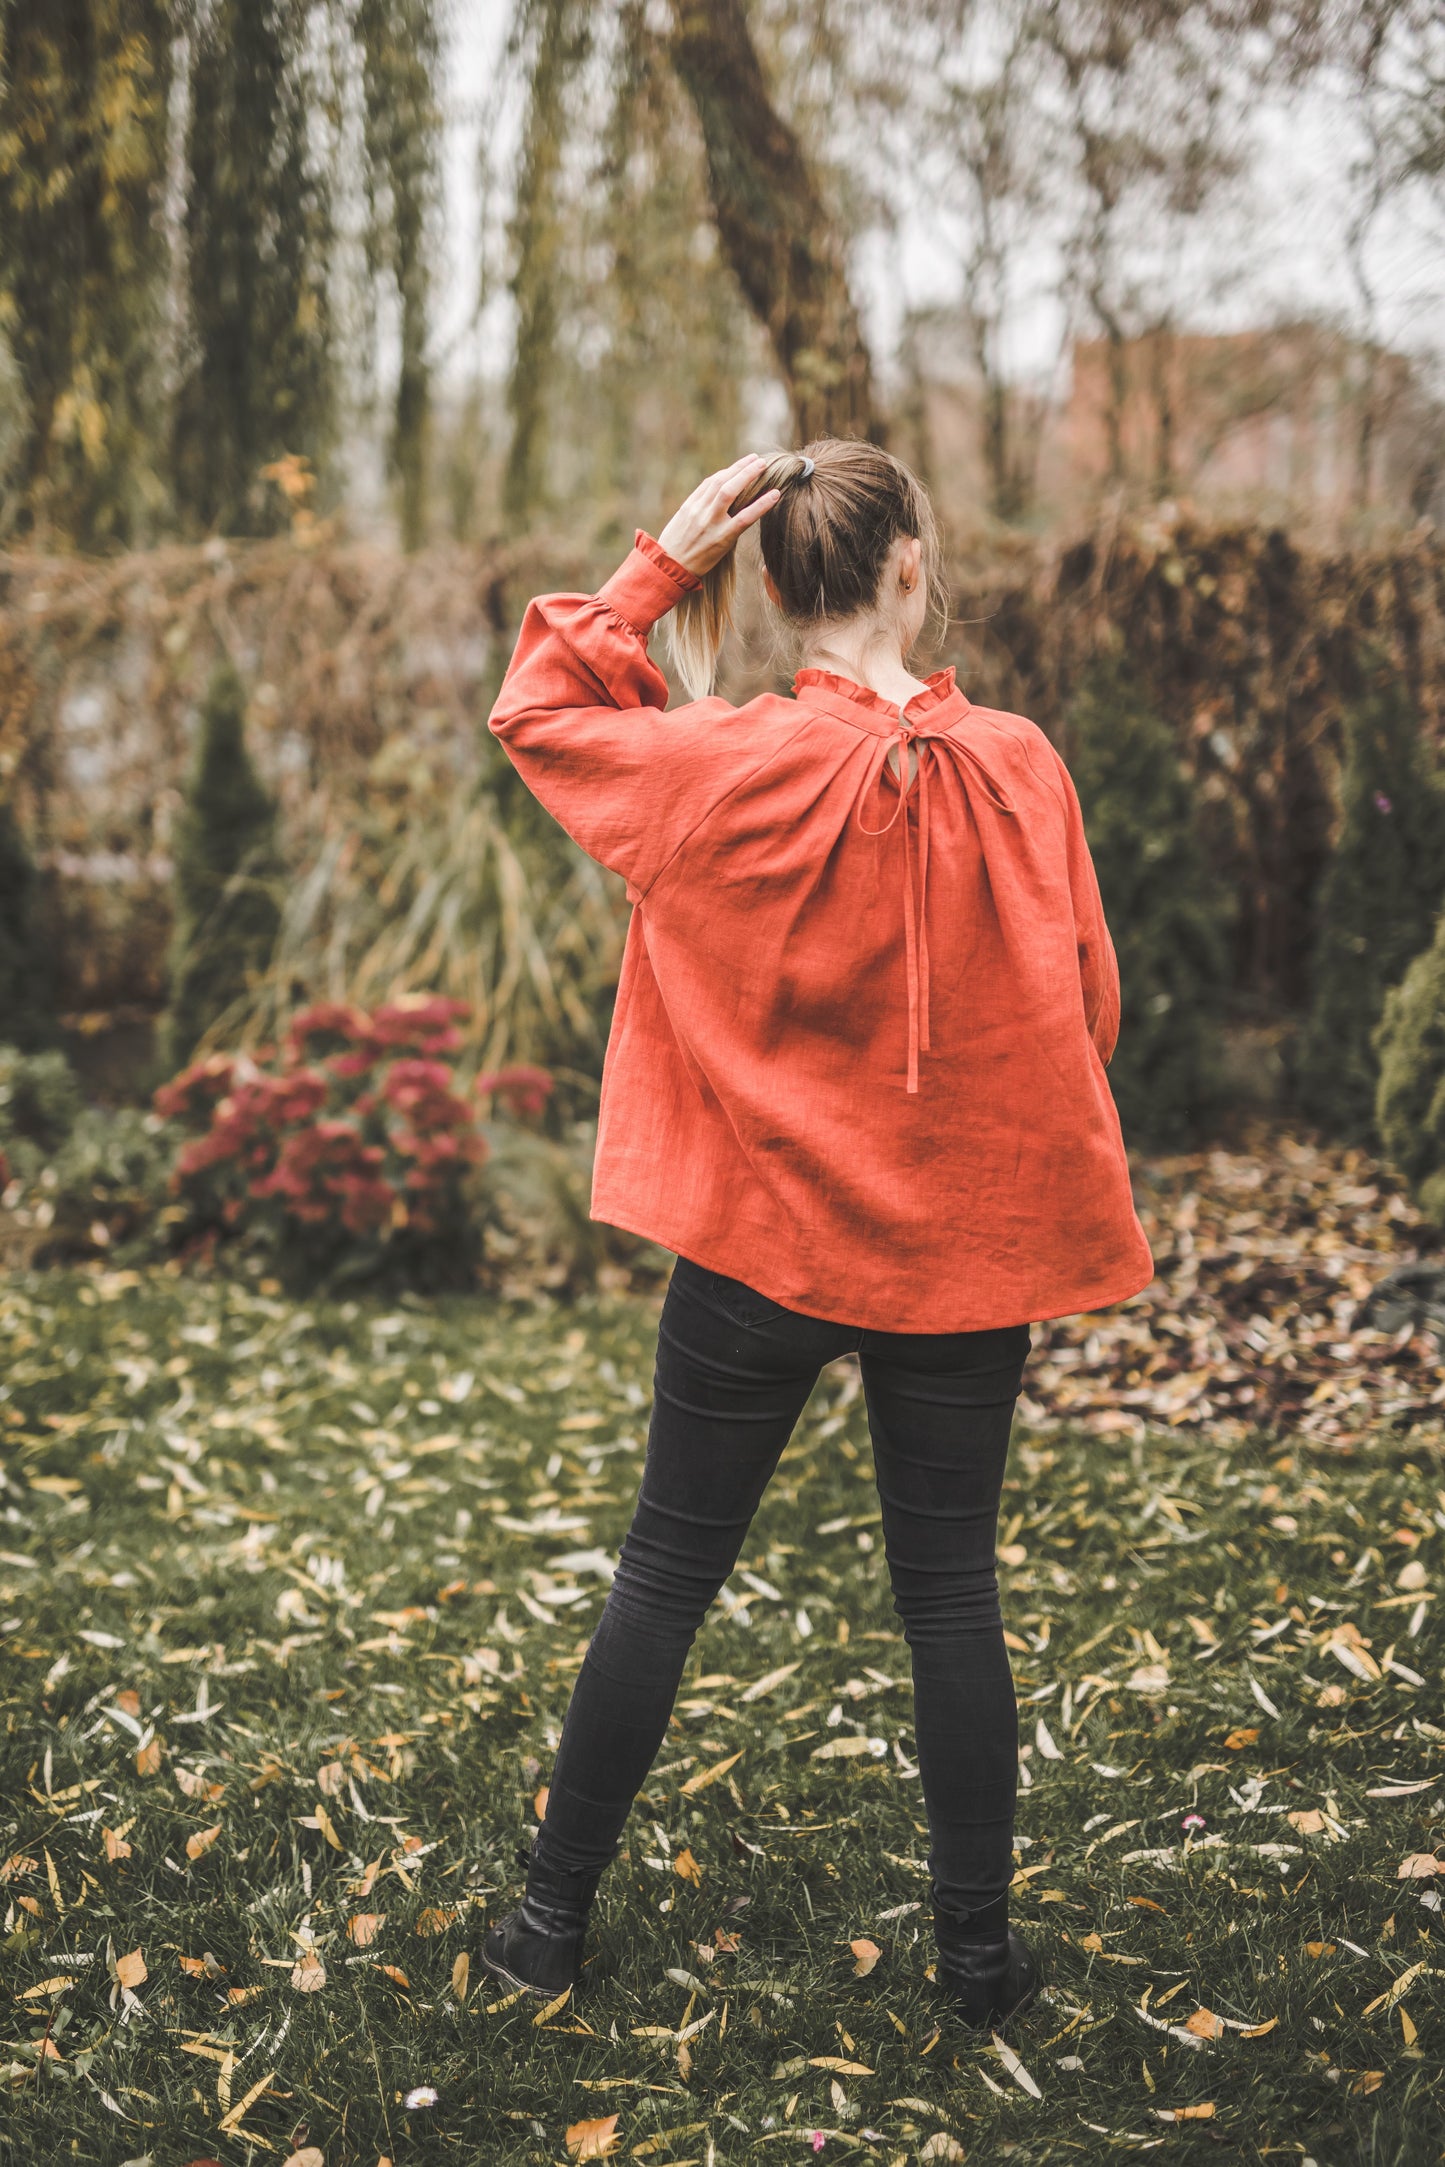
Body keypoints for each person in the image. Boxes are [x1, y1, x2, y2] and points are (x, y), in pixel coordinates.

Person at [481, 440, 1153, 2029]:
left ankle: (539, 1931)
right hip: (961, 1268)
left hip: (752, 1255)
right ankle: (978, 1971)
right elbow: (1088, 1013)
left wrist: (662, 563)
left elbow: (541, 712)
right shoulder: (1023, 764)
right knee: (949, 1596)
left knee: (663, 1572)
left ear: (771, 587)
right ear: (913, 565)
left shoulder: (719, 762)